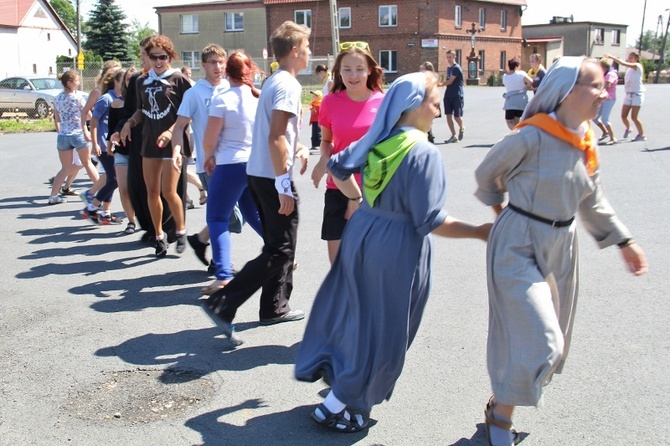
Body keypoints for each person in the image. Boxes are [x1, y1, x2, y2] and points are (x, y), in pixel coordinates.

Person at [295, 71, 491, 433]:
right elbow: (430, 220)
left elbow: (337, 165)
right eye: (434, 101)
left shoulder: (378, 139)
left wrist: (357, 200)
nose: (438, 108)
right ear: (413, 106)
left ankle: (337, 397)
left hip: (362, 232)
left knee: (360, 320)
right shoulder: (424, 152)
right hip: (397, 246)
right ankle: (351, 405)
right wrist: (479, 232)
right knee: (386, 331)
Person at [474, 56, 648, 446]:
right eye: (597, 86)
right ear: (567, 91)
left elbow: (592, 198)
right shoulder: (530, 136)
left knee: (548, 343)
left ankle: (500, 410)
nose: (605, 93)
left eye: (606, 86)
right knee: (541, 338)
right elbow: (488, 173)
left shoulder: (585, 138)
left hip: (562, 247)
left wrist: (623, 240)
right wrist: (501, 210)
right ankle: (500, 423)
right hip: (518, 245)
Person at [202, 21, 311, 345]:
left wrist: (297, 149)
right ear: (294, 51)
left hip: (262, 172)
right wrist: (282, 183)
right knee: (281, 250)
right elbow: (276, 134)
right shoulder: (287, 85)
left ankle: (273, 307)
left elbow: (280, 134)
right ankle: (223, 303)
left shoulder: (276, 80)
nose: (308, 53)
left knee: (279, 246)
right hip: (270, 175)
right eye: (305, 47)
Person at [311, 40, 385, 264]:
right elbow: (326, 140)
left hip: (376, 192)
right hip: (338, 189)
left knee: (371, 265)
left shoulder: (383, 101)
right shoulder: (330, 102)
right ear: (338, 72)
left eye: (360, 69)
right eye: (347, 70)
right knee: (339, 267)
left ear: (370, 69)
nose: (354, 75)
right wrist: (324, 160)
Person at [119, 34, 192, 257]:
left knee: (169, 191)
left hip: (174, 144)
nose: (159, 61)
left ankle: (180, 231)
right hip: (149, 143)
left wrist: (171, 132)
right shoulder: (141, 81)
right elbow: (142, 110)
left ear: (169, 57)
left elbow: (188, 113)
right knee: (152, 191)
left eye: (163, 57)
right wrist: (129, 123)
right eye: (154, 57)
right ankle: (159, 236)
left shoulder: (179, 80)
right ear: (148, 57)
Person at [199, 51, 264, 295]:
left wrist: (208, 156)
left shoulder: (222, 98)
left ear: (227, 70)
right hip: (254, 164)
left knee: (216, 218)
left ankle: (223, 274)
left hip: (229, 164)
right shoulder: (257, 97)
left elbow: (209, 138)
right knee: (252, 212)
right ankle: (282, 251)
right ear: (250, 71)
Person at [171, 44, 231, 269]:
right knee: (227, 215)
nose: (218, 67)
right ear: (203, 65)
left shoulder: (230, 87)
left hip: (235, 161)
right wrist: (177, 150)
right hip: (209, 165)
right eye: (213, 62)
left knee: (229, 214)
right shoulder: (194, 92)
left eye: (221, 62)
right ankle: (219, 261)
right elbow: (179, 127)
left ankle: (201, 240)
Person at [81, 67, 125, 225]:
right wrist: (94, 144)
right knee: (114, 180)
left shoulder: (119, 98)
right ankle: (91, 208)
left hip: (111, 145)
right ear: (115, 82)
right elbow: (93, 120)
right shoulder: (106, 98)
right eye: (123, 81)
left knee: (111, 179)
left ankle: (105, 212)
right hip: (102, 144)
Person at [48, 70, 97, 205]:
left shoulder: (57, 98)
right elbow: (88, 116)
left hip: (63, 135)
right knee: (87, 163)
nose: (79, 83)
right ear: (69, 83)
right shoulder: (78, 98)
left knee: (65, 168)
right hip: (78, 133)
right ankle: (101, 191)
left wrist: (60, 130)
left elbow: (57, 118)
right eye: (77, 81)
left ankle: (53, 195)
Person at [108, 66, 138, 234]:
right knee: (124, 188)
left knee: (142, 189)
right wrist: (109, 144)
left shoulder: (144, 102)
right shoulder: (116, 103)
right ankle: (131, 221)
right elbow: (112, 128)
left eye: (133, 78)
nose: (131, 81)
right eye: (127, 79)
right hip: (122, 151)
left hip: (140, 151)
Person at [604, 52, 646, 141]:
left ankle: (641, 134)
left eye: (632, 57)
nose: (629, 59)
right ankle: (629, 128)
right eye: (629, 57)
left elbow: (622, 63)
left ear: (636, 59)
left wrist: (611, 56)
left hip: (637, 94)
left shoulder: (637, 66)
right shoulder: (629, 70)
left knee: (634, 117)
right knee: (623, 115)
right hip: (628, 94)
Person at [592, 58, 618, 145]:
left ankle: (613, 138)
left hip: (609, 98)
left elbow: (607, 86)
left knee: (605, 119)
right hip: (603, 98)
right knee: (594, 117)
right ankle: (605, 132)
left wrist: (598, 94)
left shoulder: (610, 74)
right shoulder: (605, 73)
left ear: (604, 67)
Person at [502, 58, 533, 130]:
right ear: (516, 66)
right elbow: (530, 81)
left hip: (511, 100)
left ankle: (516, 132)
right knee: (517, 119)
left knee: (509, 120)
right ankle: (519, 132)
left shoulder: (505, 76)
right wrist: (527, 86)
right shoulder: (521, 74)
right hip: (521, 99)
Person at [443, 49, 465, 143]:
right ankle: (454, 135)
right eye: (447, 57)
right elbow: (446, 79)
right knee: (448, 115)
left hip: (457, 94)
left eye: (450, 57)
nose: (449, 59)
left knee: (457, 116)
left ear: (454, 57)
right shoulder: (449, 68)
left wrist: (439, 84)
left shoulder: (456, 68)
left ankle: (461, 127)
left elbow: (450, 81)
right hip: (448, 94)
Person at [420, 61, 438, 143]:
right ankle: (429, 134)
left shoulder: (429, 78)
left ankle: (430, 135)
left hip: (429, 100)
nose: (421, 71)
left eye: (423, 69)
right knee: (426, 119)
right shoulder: (430, 78)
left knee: (427, 119)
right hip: (429, 100)